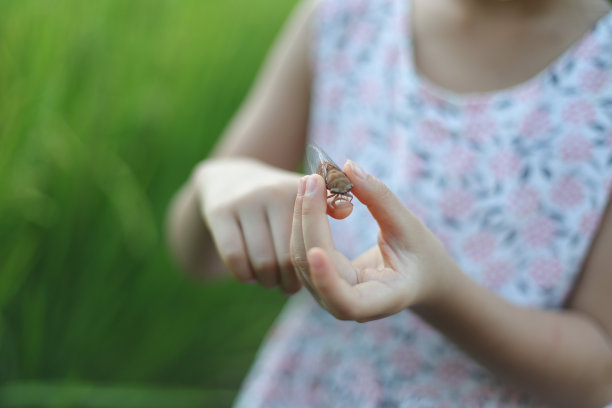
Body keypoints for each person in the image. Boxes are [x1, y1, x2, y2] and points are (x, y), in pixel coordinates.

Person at [167, 0, 612, 405]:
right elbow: (193, 255)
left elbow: (599, 377)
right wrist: (218, 183)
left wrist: (439, 290)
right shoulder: (345, 19)